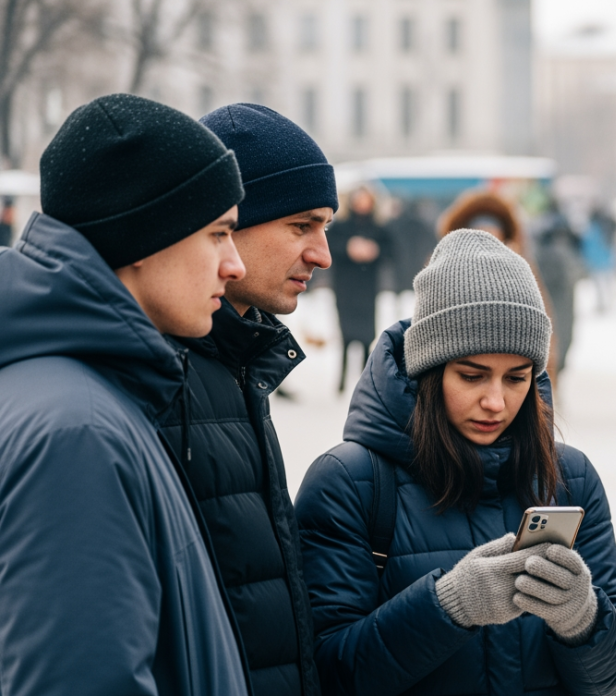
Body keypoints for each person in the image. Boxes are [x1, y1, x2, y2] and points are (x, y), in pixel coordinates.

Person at [295, 230, 616, 695]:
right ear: (429, 369)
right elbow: (325, 676)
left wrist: (583, 620)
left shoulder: (569, 478)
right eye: (472, 376)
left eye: (516, 378)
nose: (496, 402)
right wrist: (450, 606)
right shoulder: (350, 483)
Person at [0, 94, 249, 694]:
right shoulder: (77, 432)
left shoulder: (87, 396)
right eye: (218, 234)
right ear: (144, 234)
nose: (234, 265)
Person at [156, 102, 338, 696]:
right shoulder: (161, 374)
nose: (322, 254)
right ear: (229, 224)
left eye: (326, 228)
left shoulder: (240, 358)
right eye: (301, 226)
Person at [439, 190, 564, 381]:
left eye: (493, 235)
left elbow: (541, 321)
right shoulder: (446, 268)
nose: (488, 242)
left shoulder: (521, 269)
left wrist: (545, 378)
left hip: (513, 371)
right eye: (481, 234)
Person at [329, 187, 389, 393]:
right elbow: (330, 246)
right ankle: (342, 379)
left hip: (367, 287)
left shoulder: (378, 228)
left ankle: (365, 379)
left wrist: (374, 250)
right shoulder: (341, 226)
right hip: (345, 287)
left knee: (366, 335)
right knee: (346, 334)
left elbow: (390, 250)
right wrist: (349, 247)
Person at [534, 200, 585, 373]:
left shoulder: (543, 236)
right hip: (558, 293)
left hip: (551, 292)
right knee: (562, 333)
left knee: (556, 333)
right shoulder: (568, 240)